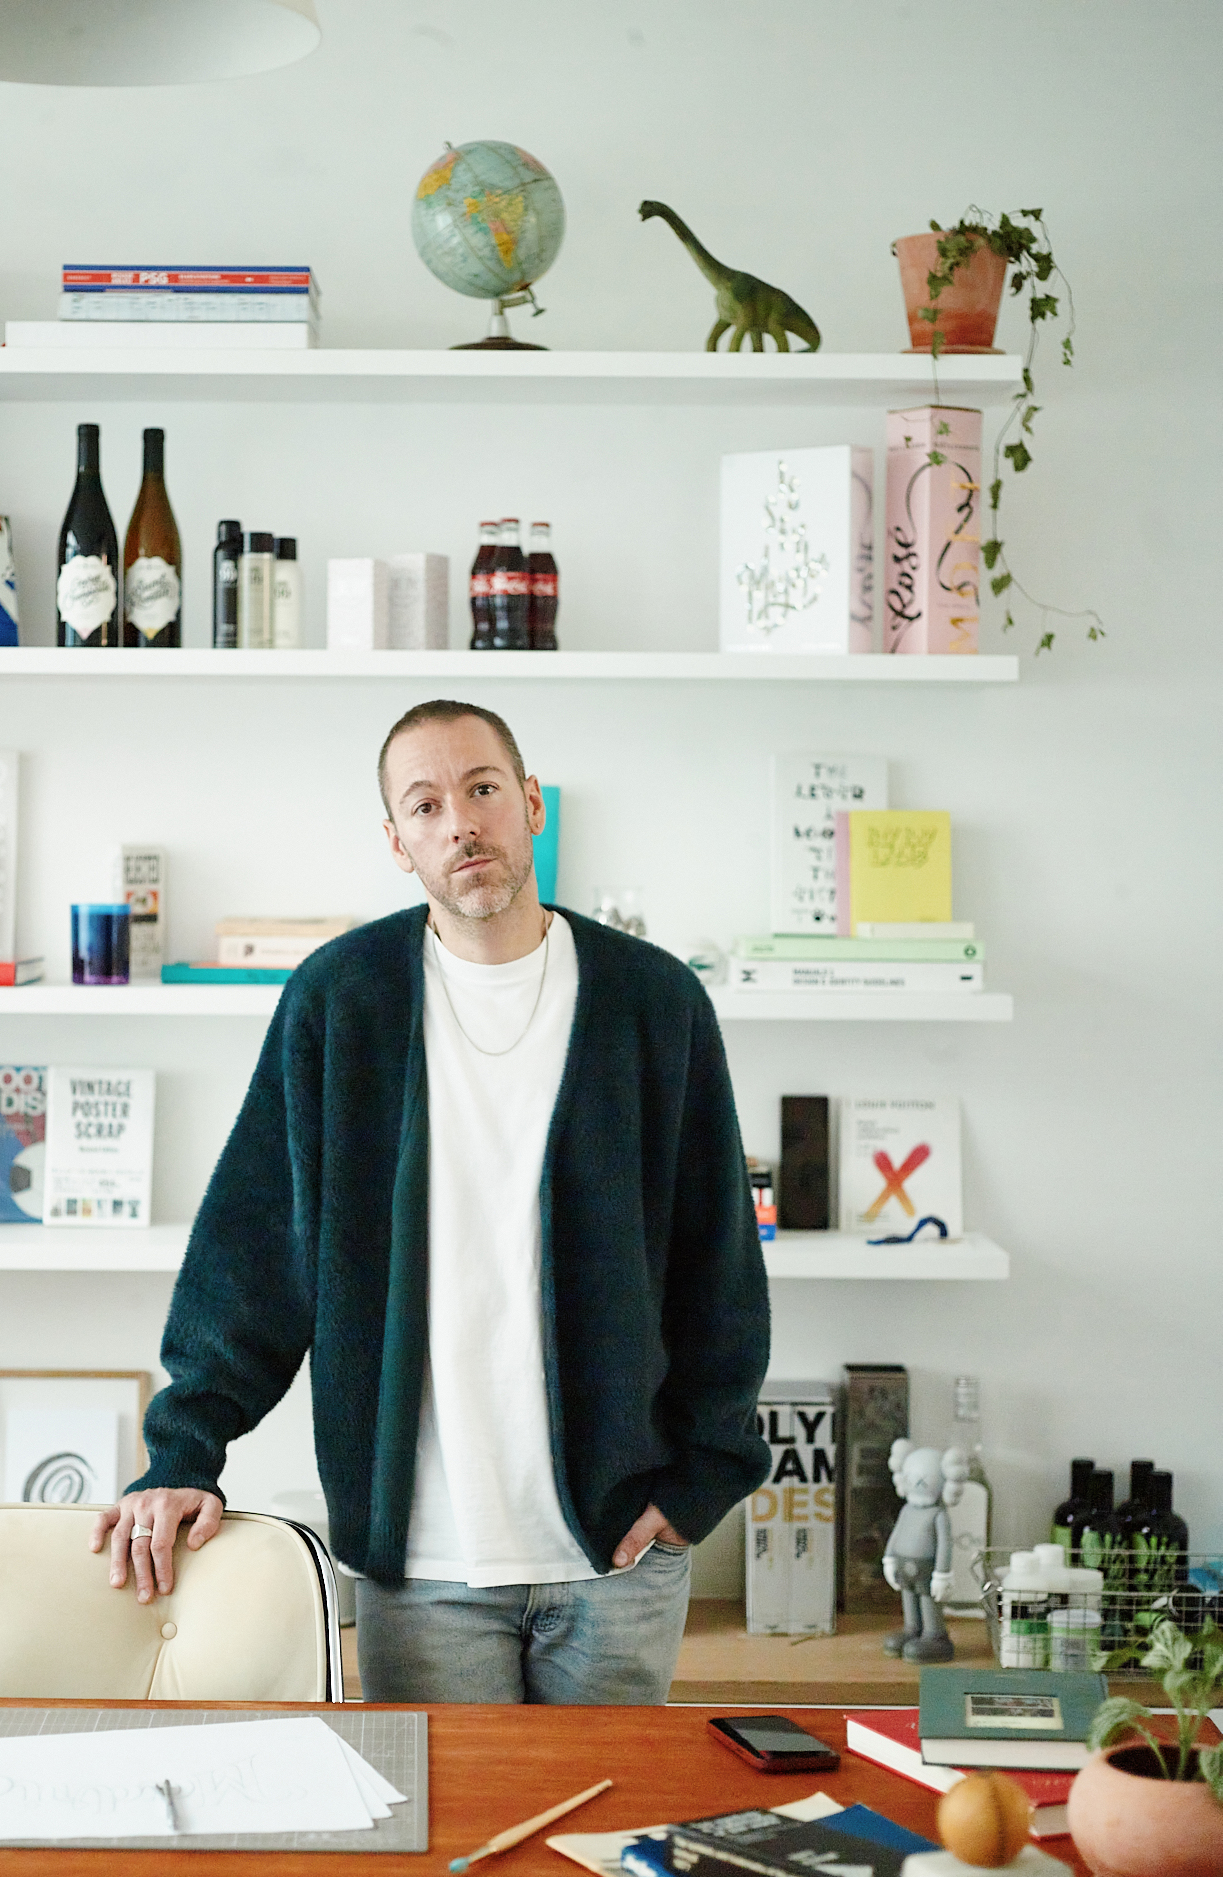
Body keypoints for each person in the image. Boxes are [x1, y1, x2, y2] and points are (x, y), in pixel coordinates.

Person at [92, 699, 771, 1703]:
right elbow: (255, 1251)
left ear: (530, 804)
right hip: (422, 1564)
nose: (460, 823)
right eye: (425, 805)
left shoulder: (653, 1001)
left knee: (605, 1810)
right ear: (396, 840)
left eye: (482, 789)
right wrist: (182, 1450)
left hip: (620, 1553)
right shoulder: (341, 1001)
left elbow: (718, 1264)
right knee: (436, 1810)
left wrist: (699, 1481)